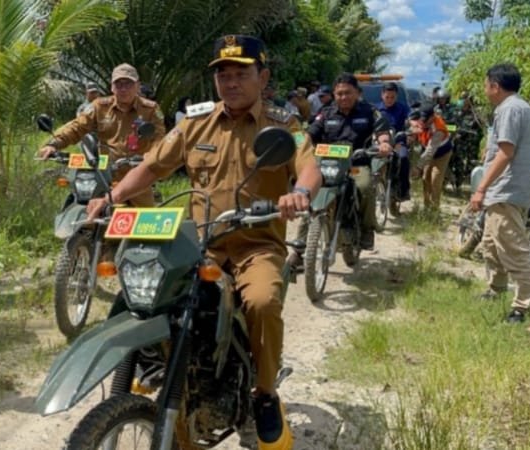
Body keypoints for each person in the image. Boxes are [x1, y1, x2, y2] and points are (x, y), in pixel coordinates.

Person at [86, 35, 321, 449]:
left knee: (263, 301)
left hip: (255, 246)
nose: (230, 82)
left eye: (241, 74)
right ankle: (164, 372)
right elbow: (153, 166)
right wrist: (112, 196)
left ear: (262, 77)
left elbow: (308, 165)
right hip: (202, 245)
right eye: (223, 75)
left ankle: (265, 394)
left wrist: (299, 192)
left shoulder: (284, 125)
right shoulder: (194, 124)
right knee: (152, 296)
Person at [288, 73, 392, 269]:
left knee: (364, 186)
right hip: (327, 164)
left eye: (348, 93)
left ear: (358, 93)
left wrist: (384, 143)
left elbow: (382, 132)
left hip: (355, 165)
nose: (343, 97)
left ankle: (367, 229)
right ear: (334, 95)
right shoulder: (326, 113)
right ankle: (299, 250)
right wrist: (296, 143)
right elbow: (309, 134)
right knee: (309, 195)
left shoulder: (369, 112)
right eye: (339, 94)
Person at [37, 63, 166, 207]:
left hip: (137, 177)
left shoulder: (150, 109)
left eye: (128, 84)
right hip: (104, 176)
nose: (123, 89)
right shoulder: (99, 107)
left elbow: (159, 138)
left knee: (145, 223)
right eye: (119, 84)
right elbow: (77, 127)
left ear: (137, 86)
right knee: (88, 218)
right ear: (112, 87)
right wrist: (53, 144)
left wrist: (153, 155)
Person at [470, 63, 530, 323]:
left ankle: (521, 306)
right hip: (507, 191)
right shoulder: (523, 108)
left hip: (505, 191)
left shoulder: (509, 109)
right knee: (491, 245)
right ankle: (495, 288)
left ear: (495, 86)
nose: (485, 90)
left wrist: (481, 188)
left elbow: (506, 153)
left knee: (513, 249)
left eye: (486, 85)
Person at [408, 103, 452, 212]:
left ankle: (434, 210)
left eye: (426, 120)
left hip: (442, 154)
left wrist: (418, 167)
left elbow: (430, 151)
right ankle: (426, 206)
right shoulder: (420, 120)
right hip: (428, 152)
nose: (423, 122)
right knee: (425, 178)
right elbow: (413, 131)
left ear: (432, 117)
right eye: (422, 119)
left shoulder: (438, 129)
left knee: (435, 179)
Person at [377, 82, 412, 203]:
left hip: (398, 142)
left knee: (403, 158)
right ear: (382, 95)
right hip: (380, 143)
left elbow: (411, 119)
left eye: (392, 97)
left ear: (396, 96)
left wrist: (412, 127)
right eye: (387, 97)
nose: (390, 100)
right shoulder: (376, 110)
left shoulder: (403, 108)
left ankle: (404, 190)